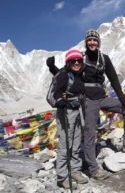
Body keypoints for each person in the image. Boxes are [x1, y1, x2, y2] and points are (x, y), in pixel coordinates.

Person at [47, 29, 125, 180]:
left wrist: (122, 98)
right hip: (87, 100)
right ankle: (93, 169)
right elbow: (67, 74)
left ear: (99, 42)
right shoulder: (81, 58)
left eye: (95, 40)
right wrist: (53, 68)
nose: (92, 42)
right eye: (89, 40)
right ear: (86, 42)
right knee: (90, 133)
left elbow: (113, 79)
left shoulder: (104, 59)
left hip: (103, 96)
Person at [51, 49, 88, 189]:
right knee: (65, 145)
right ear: (68, 62)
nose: (77, 63)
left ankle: (75, 171)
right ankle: (62, 177)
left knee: (77, 142)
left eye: (79, 60)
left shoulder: (80, 75)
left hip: (78, 112)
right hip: (66, 112)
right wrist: (60, 100)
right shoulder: (64, 75)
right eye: (73, 61)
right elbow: (57, 92)